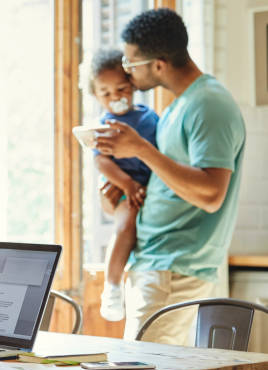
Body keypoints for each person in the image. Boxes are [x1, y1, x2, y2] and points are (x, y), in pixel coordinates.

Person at [95, 8, 245, 345]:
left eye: (132, 65)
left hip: (173, 267)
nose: (128, 75)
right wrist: (117, 199)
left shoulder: (210, 105)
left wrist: (140, 149)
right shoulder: (180, 106)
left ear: (158, 64)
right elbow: (171, 185)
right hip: (156, 263)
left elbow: (210, 195)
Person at [88, 49, 159, 322]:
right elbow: (101, 163)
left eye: (121, 89)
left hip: (147, 186)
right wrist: (127, 184)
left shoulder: (149, 118)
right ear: (96, 96)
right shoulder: (105, 125)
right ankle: (112, 287)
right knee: (125, 225)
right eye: (105, 93)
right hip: (122, 188)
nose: (115, 97)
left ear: (133, 85)